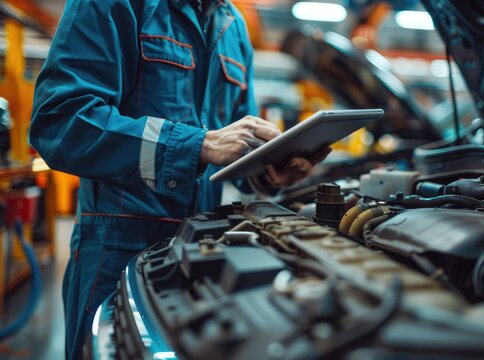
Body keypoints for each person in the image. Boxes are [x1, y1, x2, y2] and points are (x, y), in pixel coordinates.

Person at [29, 0, 329, 358]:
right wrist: (197, 144)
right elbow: (60, 122)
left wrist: (271, 174)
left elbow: (237, 152)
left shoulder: (232, 27)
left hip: (202, 252)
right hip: (116, 251)